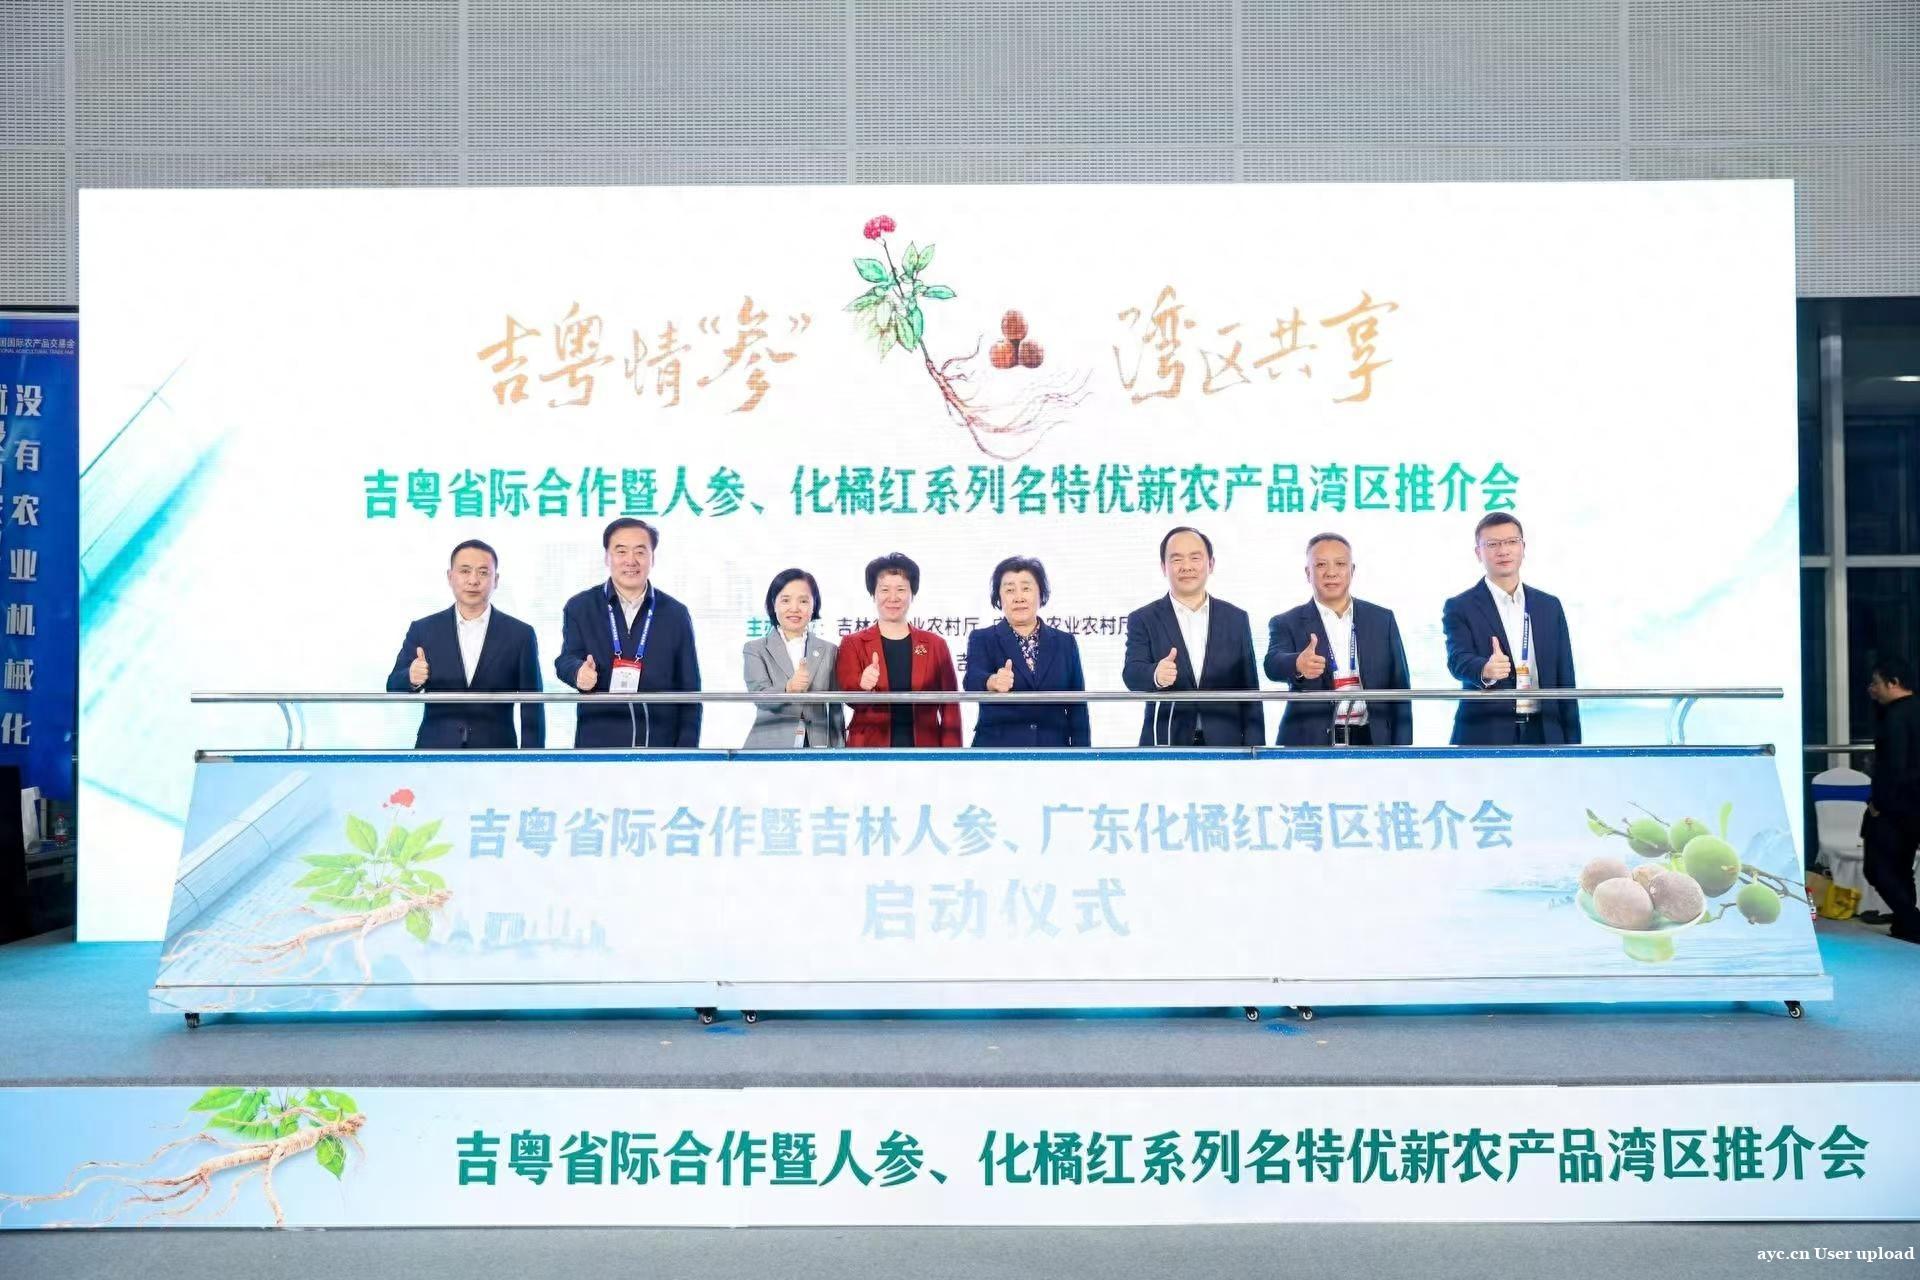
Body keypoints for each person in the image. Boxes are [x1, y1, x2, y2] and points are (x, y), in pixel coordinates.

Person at [555, 518, 701, 749]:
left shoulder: (675, 613)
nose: (630, 560)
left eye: (640, 552)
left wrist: (687, 751)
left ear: (653, 558)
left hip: (661, 744)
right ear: (607, 557)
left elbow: (691, 689)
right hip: (599, 741)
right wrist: (577, 672)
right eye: (621, 551)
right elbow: (566, 659)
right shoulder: (580, 606)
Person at [385, 539, 545, 749]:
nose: (473, 580)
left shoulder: (521, 634)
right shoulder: (424, 629)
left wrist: (533, 759)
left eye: (483, 572)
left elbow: (532, 707)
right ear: (450, 577)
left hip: (497, 753)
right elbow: (393, 685)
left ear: (496, 580)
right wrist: (411, 678)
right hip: (435, 752)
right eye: (465, 571)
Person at [1441, 513, 1580, 746]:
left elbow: (1565, 675)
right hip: (1486, 732)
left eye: (1511, 542)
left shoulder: (1549, 605)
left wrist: (1573, 743)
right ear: (1478, 553)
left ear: (1523, 547)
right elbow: (1457, 660)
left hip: (1546, 730)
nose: (1503, 551)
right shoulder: (1460, 606)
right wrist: (1485, 670)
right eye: (1492, 544)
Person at [1263, 532, 1412, 747]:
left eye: (1340, 564)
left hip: (1373, 738)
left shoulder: (1382, 619)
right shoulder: (1286, 622)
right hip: (1309, 741)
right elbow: (1272, 664)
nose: (1331, 573)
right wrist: (1297, 664)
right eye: (1321, 565)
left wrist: (1403, 749)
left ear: (1352, 570)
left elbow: (1401, 688)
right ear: (1308, 573)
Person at [1121, 526, 1264, 747]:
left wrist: (1256, 750)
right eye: (1177, 559)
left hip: (1227, 744)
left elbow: (1251, 690)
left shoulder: (1236, 618)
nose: (1186, 566)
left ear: (1211, 564)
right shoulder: (1143, 618)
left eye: (1195, 558)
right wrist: (1156, 674)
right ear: (1163, 567)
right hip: (1166, 742)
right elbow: (1131, 673)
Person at [835, 552, 961, 748]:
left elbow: (950, 706)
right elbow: (846, 695)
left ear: (912, 594)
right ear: (873, 594)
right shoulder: (853, 643)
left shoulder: (935, 644)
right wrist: (862, 685)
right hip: (869, 749)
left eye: (901, 589)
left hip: (925, 748)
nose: (893, 598)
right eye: (884, 590)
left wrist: (953, 755)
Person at [963, 555, 1091, 748]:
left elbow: (1078, 706)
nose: (1019, 597)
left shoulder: (1065, 642)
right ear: (999, 597)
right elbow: (971, 679)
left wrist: (1084, 755)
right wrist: (992, 682)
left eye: (1026, 588)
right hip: (997, 750)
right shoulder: (982, 638)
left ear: (1040, 594)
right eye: (1009, 590)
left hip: (1053, 750)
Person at [742, 568, 844, 748]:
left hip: (817, 745)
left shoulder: (829, 650)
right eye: (785, 600)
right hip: (769, 746)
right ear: (773, 604)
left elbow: (836, 708)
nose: (795, 608)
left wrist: (839, 750)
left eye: (803, 601)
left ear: (814, 605)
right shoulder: (755, 649)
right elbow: (760, 697)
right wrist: (788, 688)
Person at [1864, 656, 1920, 945]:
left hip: (1894, 807)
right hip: (1914, 807)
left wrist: (1878, 804)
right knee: (1901, 867)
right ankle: (1904, 925)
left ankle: (1913, 921)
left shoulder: (1895, 717)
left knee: (1877, 868)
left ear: (1894, 683)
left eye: (1876, 683)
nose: (1871, 689)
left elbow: (1893, 767)